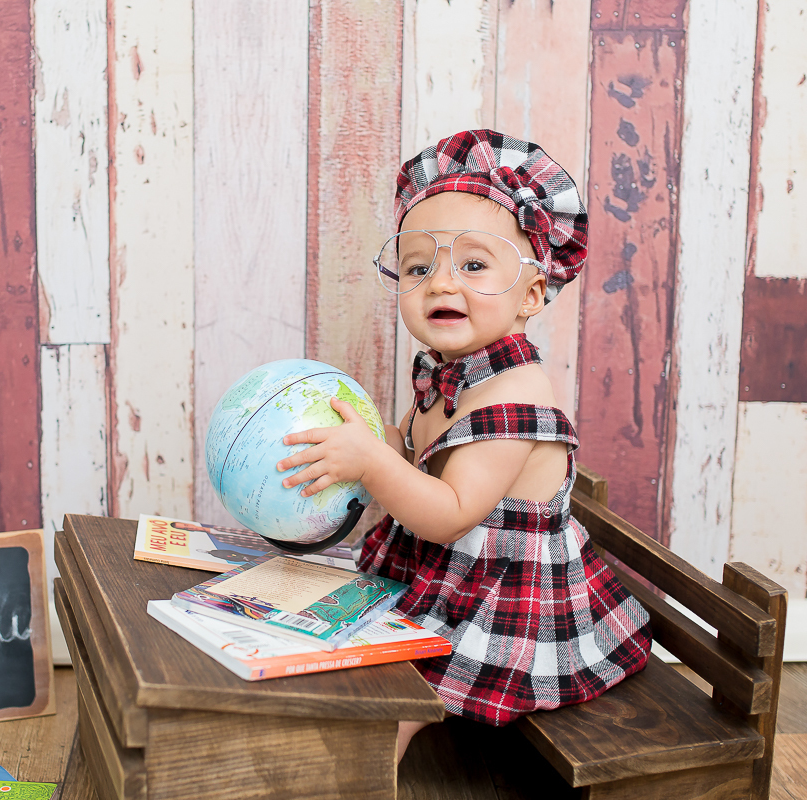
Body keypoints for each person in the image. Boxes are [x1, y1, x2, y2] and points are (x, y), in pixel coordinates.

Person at [276, 130, 651, 760]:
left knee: (400, 699)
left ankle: (365, 770)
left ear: (531, 293)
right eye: (419, 266)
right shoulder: (446, 373)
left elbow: (449, 515)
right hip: (442, 571)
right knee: (336, 641)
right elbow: (413, 459)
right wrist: (373, 437)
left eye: (473, 265)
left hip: (500, 598)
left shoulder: (516, 399)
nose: (440, 283)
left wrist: (371, 461)